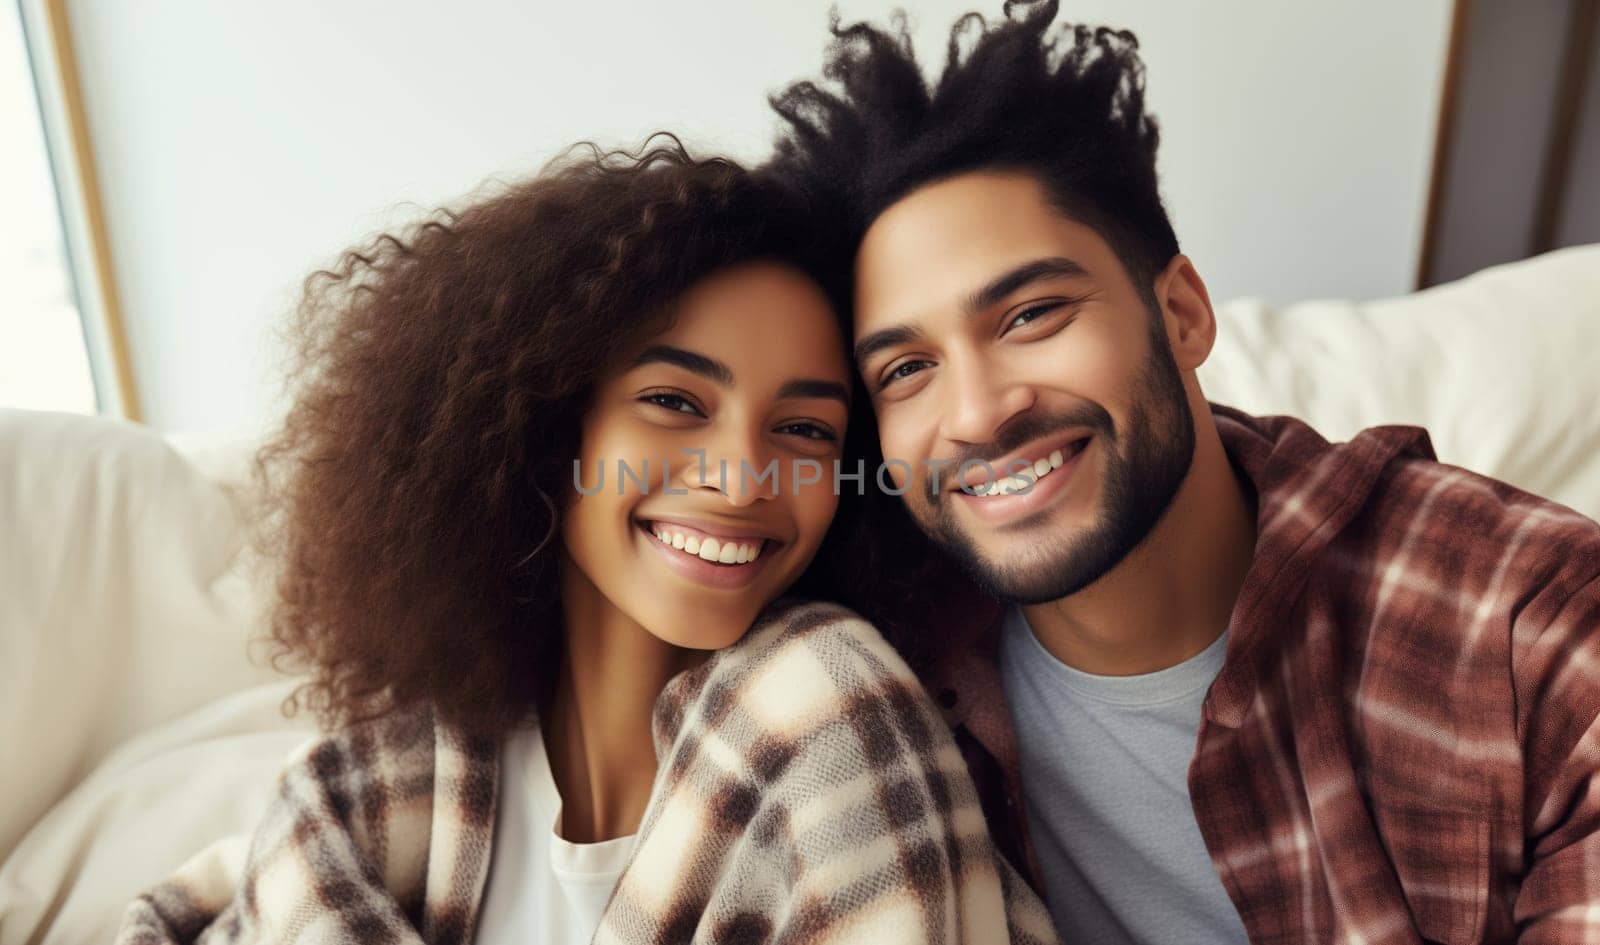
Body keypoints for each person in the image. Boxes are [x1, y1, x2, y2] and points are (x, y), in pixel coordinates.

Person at [765, 2, 1600, 942]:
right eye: (906, 369)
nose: (975, 413)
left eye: (1032, 314)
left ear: (1186, 314)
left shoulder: (1533, 624)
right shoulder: (878, 670)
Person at [114, 140, 1057, 945]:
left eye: (806, 430)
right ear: (546, 426)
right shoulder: (375, 779)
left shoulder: (836, 709)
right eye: (675, 403)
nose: (741, 477)